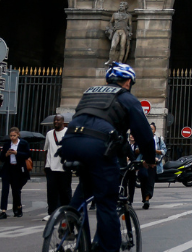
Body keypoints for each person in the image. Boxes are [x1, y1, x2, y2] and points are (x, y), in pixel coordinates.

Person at [58, 62, 155, 252]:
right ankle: (107, 248)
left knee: (86, 185)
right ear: (128, 81)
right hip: (96, 145)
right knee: (106, 200)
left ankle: (69, 223)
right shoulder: (127, 98)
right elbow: (144, 135)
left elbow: (112, 132)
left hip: (69, 141)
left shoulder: (90, 93)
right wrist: (150, 160)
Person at [0, 127, 31, 219]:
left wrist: (17, 153)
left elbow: (27, 154)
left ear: (18, 135)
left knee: (16, 190)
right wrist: (6, 154)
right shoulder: (7, 144)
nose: (12, 137)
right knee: (5, 190)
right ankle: (3, 211)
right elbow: (1, 158)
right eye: (11, 136)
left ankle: (18, 208)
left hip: (18, 169)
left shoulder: (23, 143)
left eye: (14, 136)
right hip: (8, 169)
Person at [44, 114, 72, 221]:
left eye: (58, 120)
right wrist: (45, 165)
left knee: (65, 191)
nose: (56, 122)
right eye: (55, 120)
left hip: (64, 167)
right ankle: (51, 212)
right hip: (51, 167)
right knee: (51, 191)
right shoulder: (49, 134)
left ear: (63, 122)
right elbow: (46, 150)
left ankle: (67, 211)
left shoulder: (68, 133)